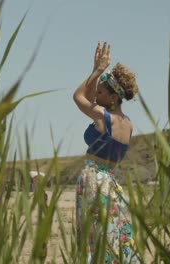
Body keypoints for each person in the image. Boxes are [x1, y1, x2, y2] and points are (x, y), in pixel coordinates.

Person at [73, 41, 140, 263]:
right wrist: (99, 77)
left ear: (113, 98)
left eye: (101, 93)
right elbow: (90, 97)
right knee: (110, 233)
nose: (96, 97)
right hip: (110, 181)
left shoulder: (103, 117)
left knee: (93, 234)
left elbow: (78, 97)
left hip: (93, 180)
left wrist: (96, 71)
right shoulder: (128, 124)